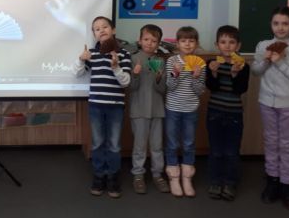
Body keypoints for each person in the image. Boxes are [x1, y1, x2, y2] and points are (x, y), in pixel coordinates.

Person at [252, 6, 289, 211]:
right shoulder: (263, 45)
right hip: (266, 102)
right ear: (271, 25)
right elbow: (255, 71)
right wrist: (266, 60)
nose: (280, 27)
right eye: (276, 23)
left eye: (285, 23)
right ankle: (272, 181)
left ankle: (287, 185)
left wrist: (281, 62)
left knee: (287, 145)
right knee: (270, 142)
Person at [74, 16, 131, 198]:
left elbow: (126, 82)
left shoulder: (123, 54)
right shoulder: (92, 53)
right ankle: (99, 177)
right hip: (96, 105)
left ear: (113, 30)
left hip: (115, 106)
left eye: (105, 27)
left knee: (114, 145)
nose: (101, 30)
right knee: (98, 143)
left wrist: (115, 67)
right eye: (97, 29)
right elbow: (77, 74)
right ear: (94, 34)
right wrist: (81, 60)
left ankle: (113, 177)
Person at [205, 25, 250, 201]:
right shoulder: (211, 63)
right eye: (223, 42)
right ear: (217, 45)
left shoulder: (243, 66)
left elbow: (241, 89)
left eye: (232, 42)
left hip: (234, 114)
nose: (227, 46)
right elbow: (211, 87)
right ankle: (215, 181)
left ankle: (230, 182)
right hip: (214, 112)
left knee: (232, 151)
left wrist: (234, 74)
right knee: (216, 150)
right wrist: (213, 72)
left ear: (238, 46)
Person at [164, 26, 205, 198]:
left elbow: (200, 91)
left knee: (188, 144)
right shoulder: (171, 61)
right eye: (183, 41)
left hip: (191, 109)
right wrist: (175, 73)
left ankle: (187, 177)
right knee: (172, 143)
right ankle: (174, 177)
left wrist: (195, 77)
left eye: (191, 41)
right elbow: (170, 87)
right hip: (172, 108)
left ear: (196, 43)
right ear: (177, 44)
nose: (187, 44)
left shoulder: (200, 62)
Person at [128, 24, 169, 194]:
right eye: (146, 39)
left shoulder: (160, 61)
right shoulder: (133, 58)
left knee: (157, 146)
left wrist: (159, 77)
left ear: (158, 43)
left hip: (157, 110)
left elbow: (162, 90)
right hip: (139, 110)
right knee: (139, 146)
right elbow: (131, 87)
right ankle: (138, 175)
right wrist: (135, 74)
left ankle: (157, 174)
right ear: (139, 40)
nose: (149, 43)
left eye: (154, 40)